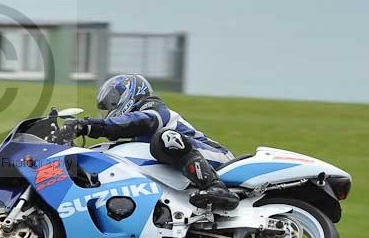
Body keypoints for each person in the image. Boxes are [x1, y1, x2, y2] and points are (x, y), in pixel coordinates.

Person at [65, 74, 240, 210]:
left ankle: (216, 187)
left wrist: (90, 126)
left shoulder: (153, 109)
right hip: (185, 163)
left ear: (129, 93)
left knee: (164, 139)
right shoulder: (137, 131)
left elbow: (137, 122)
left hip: (215, 156)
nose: (110, 109)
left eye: (112, 102)